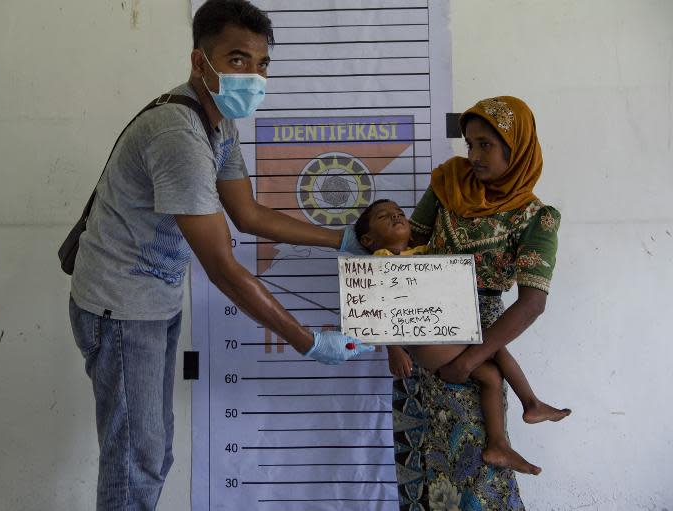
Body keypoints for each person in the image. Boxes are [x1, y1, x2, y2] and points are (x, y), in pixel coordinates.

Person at [67, 1, 370, 509]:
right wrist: (307, 341)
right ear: (198, 62)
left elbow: (249, 214)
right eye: (236, 60)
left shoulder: (218, 123)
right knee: (135, 460)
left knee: (150, 453)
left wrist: (341, 241)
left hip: (151, 301)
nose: (253, 76)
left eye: (261, 64)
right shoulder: (179, 135)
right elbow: (224, 269)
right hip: (118, 307)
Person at [376, 96, 570, 510]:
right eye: (470, 144)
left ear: (514, 148)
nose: (474, 156)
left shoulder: (538, 218)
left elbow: (532, 303)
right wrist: (391, 340)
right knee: (420, 461)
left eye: (486, 145)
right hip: (420, 333)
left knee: (475, 462)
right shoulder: (447, 186)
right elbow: (402, 254)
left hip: (478, 341)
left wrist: (470, 360)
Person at [354, 198, 570, 477]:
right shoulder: (380, 262)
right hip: (428, 343)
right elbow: (377, 309)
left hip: (447, 333)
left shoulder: (426, 252)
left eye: (399, 212)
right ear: (368, 239)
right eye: (385, 216)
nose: (396, 217)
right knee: (494, 346)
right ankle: (531, 403)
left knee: (492, 376)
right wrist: (393, 349)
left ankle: (498, 445)